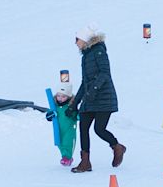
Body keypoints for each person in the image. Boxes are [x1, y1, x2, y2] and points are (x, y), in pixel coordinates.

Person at [70, 29, 124, 172]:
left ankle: (117, 147)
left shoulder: (99, 51)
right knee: (83, 128)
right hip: (90, 98)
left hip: (104, 98)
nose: (75, 43)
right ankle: (85, 162)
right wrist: (74, 104)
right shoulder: (85, 56)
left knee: (99, 129)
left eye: (77, 39)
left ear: (85, 39)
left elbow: (105, 74)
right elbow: (84, 82)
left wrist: (93, 89)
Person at [51, 71, 78, 168]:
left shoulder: (71, 106)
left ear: (68, 97)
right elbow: (51, 113)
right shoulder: (55, 106)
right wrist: (49, 116)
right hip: (58, 128)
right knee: (60, 143)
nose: (60, 98)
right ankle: (64, 156)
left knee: (68, 142)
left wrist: (75, 114)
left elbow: (77, 115)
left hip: (69, 128)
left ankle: (67, 157)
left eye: (63, 96)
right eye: (58, 96)